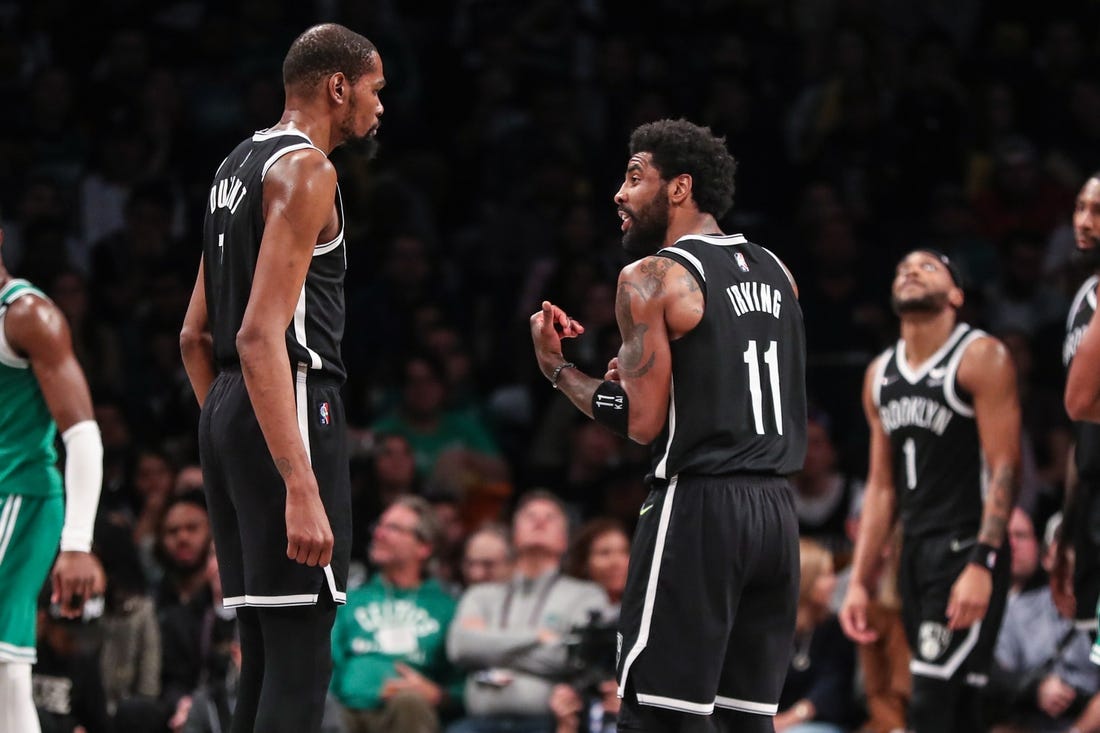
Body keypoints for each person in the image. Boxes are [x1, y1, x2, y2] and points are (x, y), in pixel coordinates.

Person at [530, 119, 807, 732]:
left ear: (679, 188)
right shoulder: (778, 272)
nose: (619, 195)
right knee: (745, 722)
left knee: (656, 717)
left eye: (635, 177)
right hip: (779, 515)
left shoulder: (651, 277)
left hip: (701, 506)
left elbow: (640, 422)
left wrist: (558, 371)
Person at [178, 23, 386, 733]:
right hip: (290, 403)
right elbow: (258, 333)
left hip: (232, 410)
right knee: (301, 665)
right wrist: (295, 479)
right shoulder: (308, 170)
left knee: (263, 657)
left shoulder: (232, 166)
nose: (379, 106)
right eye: (374, 89)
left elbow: (192, 336)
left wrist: (235, 437)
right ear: (338, 86)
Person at [839, 249, 1022, 732]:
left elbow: (1004, 468)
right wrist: (859, 580)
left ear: (956, 293)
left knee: (928, 707)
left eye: (927, 267)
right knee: (962, 708)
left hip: (965, 547)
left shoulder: (981, 355)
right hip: (913, 553)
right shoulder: (879, 374)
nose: (910, 271)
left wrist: (983, 561)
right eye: (902, 268)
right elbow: (881, 489)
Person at [0, 228, 106, 733]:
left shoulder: (27, 315)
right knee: (8, 674)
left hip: (19, 497)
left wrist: (78, 544)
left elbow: (83, 435)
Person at [447, 490, 610, 733]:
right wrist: (538, 638)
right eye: (530, 515)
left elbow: (572, 658)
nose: (539, 521)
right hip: (477, 724)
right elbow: (460, 647)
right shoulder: (481, 595)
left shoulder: (587, 595)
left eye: (550, 517)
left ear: (564, 540)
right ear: (513, 535)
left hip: (545, 723)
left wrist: (488, 647)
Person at [329, 495, 462, 733]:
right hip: (346, 712)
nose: (379, 534)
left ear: (424, 547)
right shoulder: (353, 599)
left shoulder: (447, 607)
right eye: (379, 526)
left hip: (406, 713)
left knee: (409, 703)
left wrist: (441, 695)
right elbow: (329, 660)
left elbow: (463, 680)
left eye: (393, 528)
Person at [991, 508, 1099, 733]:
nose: (1071, 555)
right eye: (1062, 544)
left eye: (1079, 546)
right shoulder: (1018, 610)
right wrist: (1036, 689)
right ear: (1047, 556)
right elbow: (999, 682)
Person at [1056, 173, 1100, 639]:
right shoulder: (1084, 298)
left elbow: (1078, 399)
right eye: (1079, 207)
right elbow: (1081, 432)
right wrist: (1067, 535)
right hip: (1090, 515)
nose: (1084, 223)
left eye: (1097, 211)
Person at [774, 539, 857, 733]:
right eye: (826, 575)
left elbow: (832, 685)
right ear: (805, 579)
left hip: (816, 722)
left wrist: (788, 720)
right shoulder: (770, 628)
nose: (834, 581)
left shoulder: (834, 628)